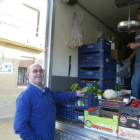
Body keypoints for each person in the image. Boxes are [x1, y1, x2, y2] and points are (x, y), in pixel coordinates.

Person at [14, 64, 84, 140]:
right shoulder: (25, 97)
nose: (38, 73)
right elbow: (20, 126)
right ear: (28, 75)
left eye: (41, 71)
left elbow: (58, 96)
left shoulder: (47, 91)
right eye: (35, 71)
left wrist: (75, 94)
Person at [126, 8, 140, 99]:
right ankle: (135, 105)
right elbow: (136, 48)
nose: (139, 14)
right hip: (138, 62)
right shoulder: (137, 31)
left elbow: (137, 45)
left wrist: (137, 44)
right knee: (134, 83)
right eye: (138, 12)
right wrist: (130, 58)